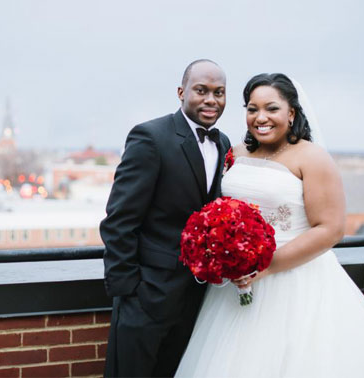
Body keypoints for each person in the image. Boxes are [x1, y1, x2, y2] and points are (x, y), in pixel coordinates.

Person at [175, 73, 364, 377]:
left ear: (291, 113)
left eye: (271, 108)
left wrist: (265, 268)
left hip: (296, 281)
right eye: (252, 109)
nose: (260, 117)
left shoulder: (312, 157)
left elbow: (330, 229)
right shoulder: (235, 152)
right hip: (234, 287)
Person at [100, 59, 231, 377]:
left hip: (197, 298)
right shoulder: (150, 137)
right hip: (147, 296)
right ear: (181, 91)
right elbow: (119, 219)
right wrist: (130, 290)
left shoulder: (224, 143)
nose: (211, 100)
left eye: (219, 92)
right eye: (201, 90)